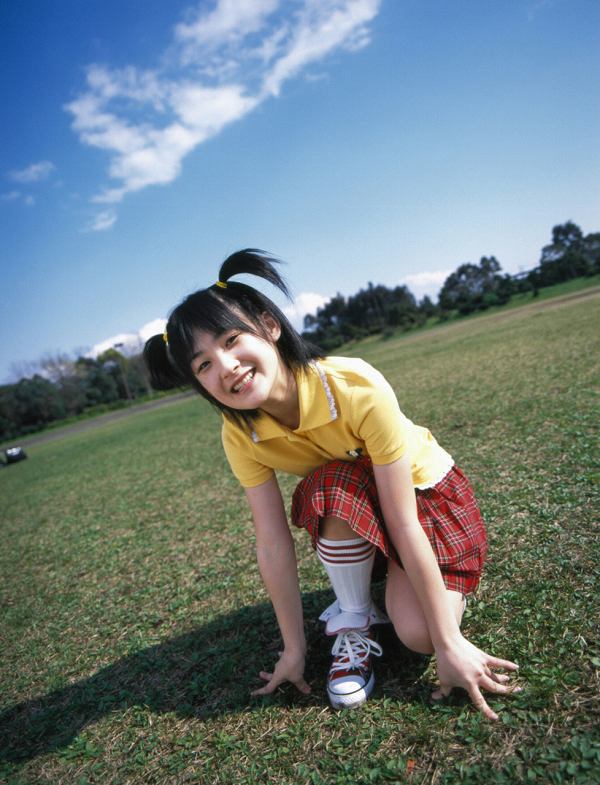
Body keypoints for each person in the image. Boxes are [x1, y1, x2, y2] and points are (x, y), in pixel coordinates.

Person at [144, 249, 521, 719]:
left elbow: (403, 520)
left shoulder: (353, 385)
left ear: (270, 327)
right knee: (329, 485)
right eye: (203, 366)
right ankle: (355, 617)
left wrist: (449, 644)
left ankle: (416, 596)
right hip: (359, 506)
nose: (226, 367)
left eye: (232, 339)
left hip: (425, 500)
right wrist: (293, 651)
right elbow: (272, 543)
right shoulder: (240, 434)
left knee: (420, 636)